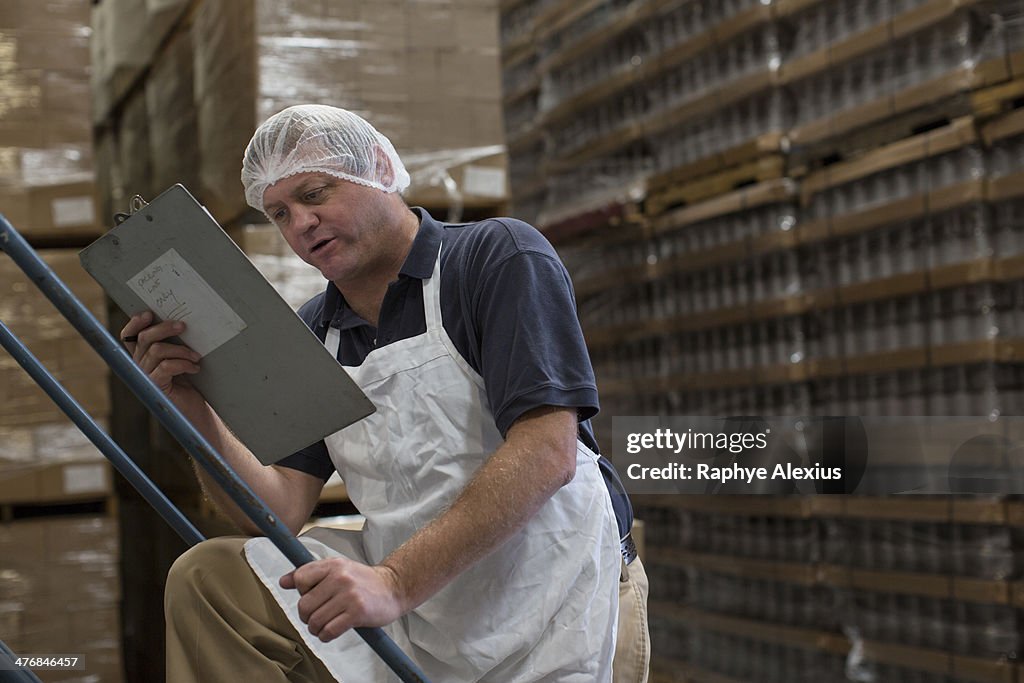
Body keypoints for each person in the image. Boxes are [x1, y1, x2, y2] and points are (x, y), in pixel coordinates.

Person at [122, 104, 649, 682]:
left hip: (549, 592)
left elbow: (548, 451)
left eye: (315, 194)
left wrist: (394, 583)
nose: (300, 224)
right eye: (279, 213)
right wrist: (191, 407)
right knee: (209, 576)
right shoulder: (315, 332)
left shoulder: (493, 258)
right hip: (417, 604)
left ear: (376, 167)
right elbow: (279, 508)